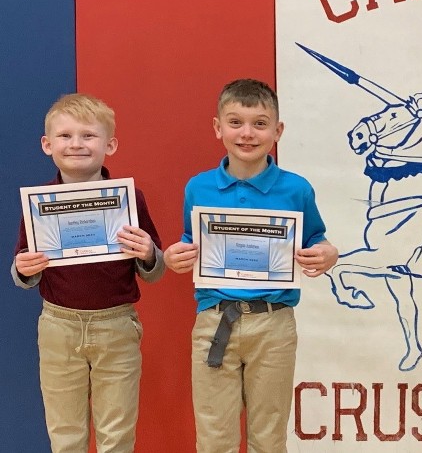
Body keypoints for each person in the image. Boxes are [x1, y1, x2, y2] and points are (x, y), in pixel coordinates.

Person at [162, 79, 339, 452]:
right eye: (235, 122)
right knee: (214, 437)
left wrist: (328, 254)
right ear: (218, 128)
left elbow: (316, 239)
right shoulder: (198, 188)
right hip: (214, 321)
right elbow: (190, 240)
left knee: (269, 436)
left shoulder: (297, 189)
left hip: (274, 324)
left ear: (278, 131)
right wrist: (175, 256)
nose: (247, 133)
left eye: (260, 124)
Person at [12, 94, 165, 453]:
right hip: (59, 326)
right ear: (47, 145)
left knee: (117, 434)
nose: (76, 144)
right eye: (65, 136)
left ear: (110, 145)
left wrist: (147, 252)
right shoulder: (39, 203)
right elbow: (23, 267)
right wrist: (23, 269)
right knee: (65, 433)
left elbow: (154, 270)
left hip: (117, 325)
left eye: (88, 135)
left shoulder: (130, 199)